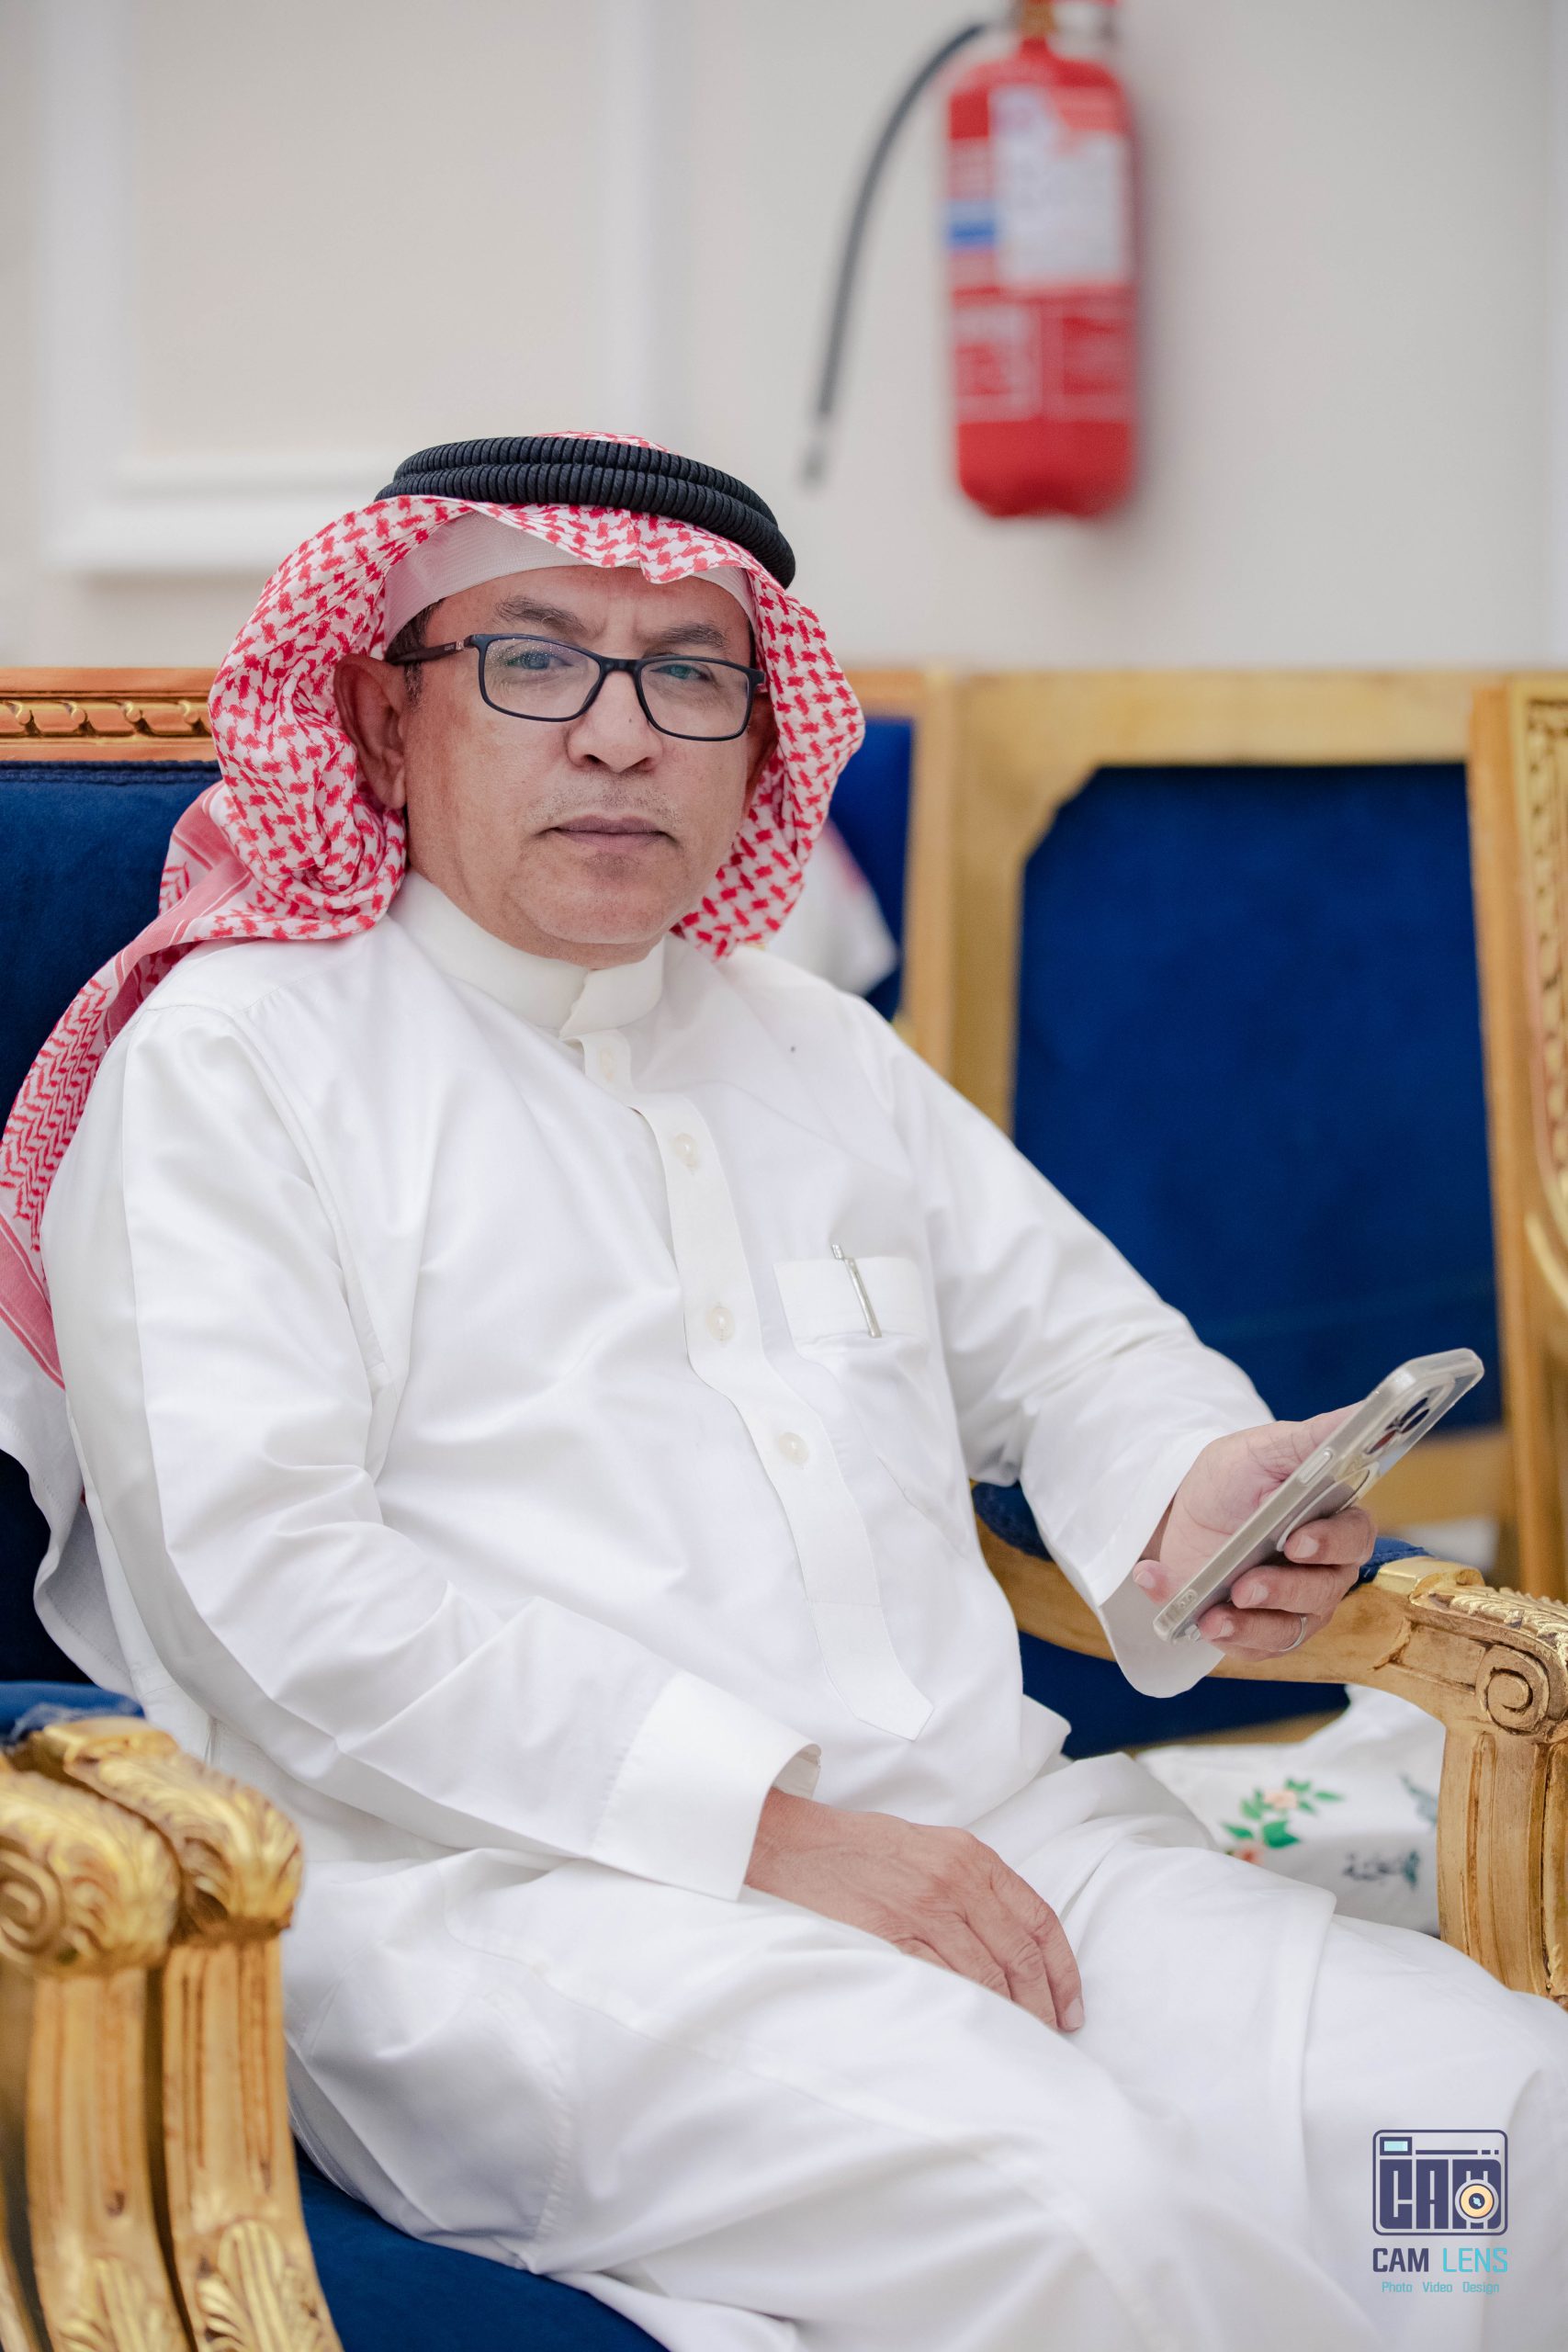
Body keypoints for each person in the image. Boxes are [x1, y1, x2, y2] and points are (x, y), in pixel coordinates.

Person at [4, 434, 1563, 2351]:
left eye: (688, 672)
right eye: (533, 659)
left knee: (1494, 2137)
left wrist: (1197, 1484)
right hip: (516, 1910)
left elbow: (1082, 1348)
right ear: (388, 722)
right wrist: (774, 1834)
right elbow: (269, 1592)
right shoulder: (235, 1066)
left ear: (757, 739)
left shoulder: (811, 1048)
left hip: (996, 1844)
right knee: (1078, 2226)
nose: (617, 733)